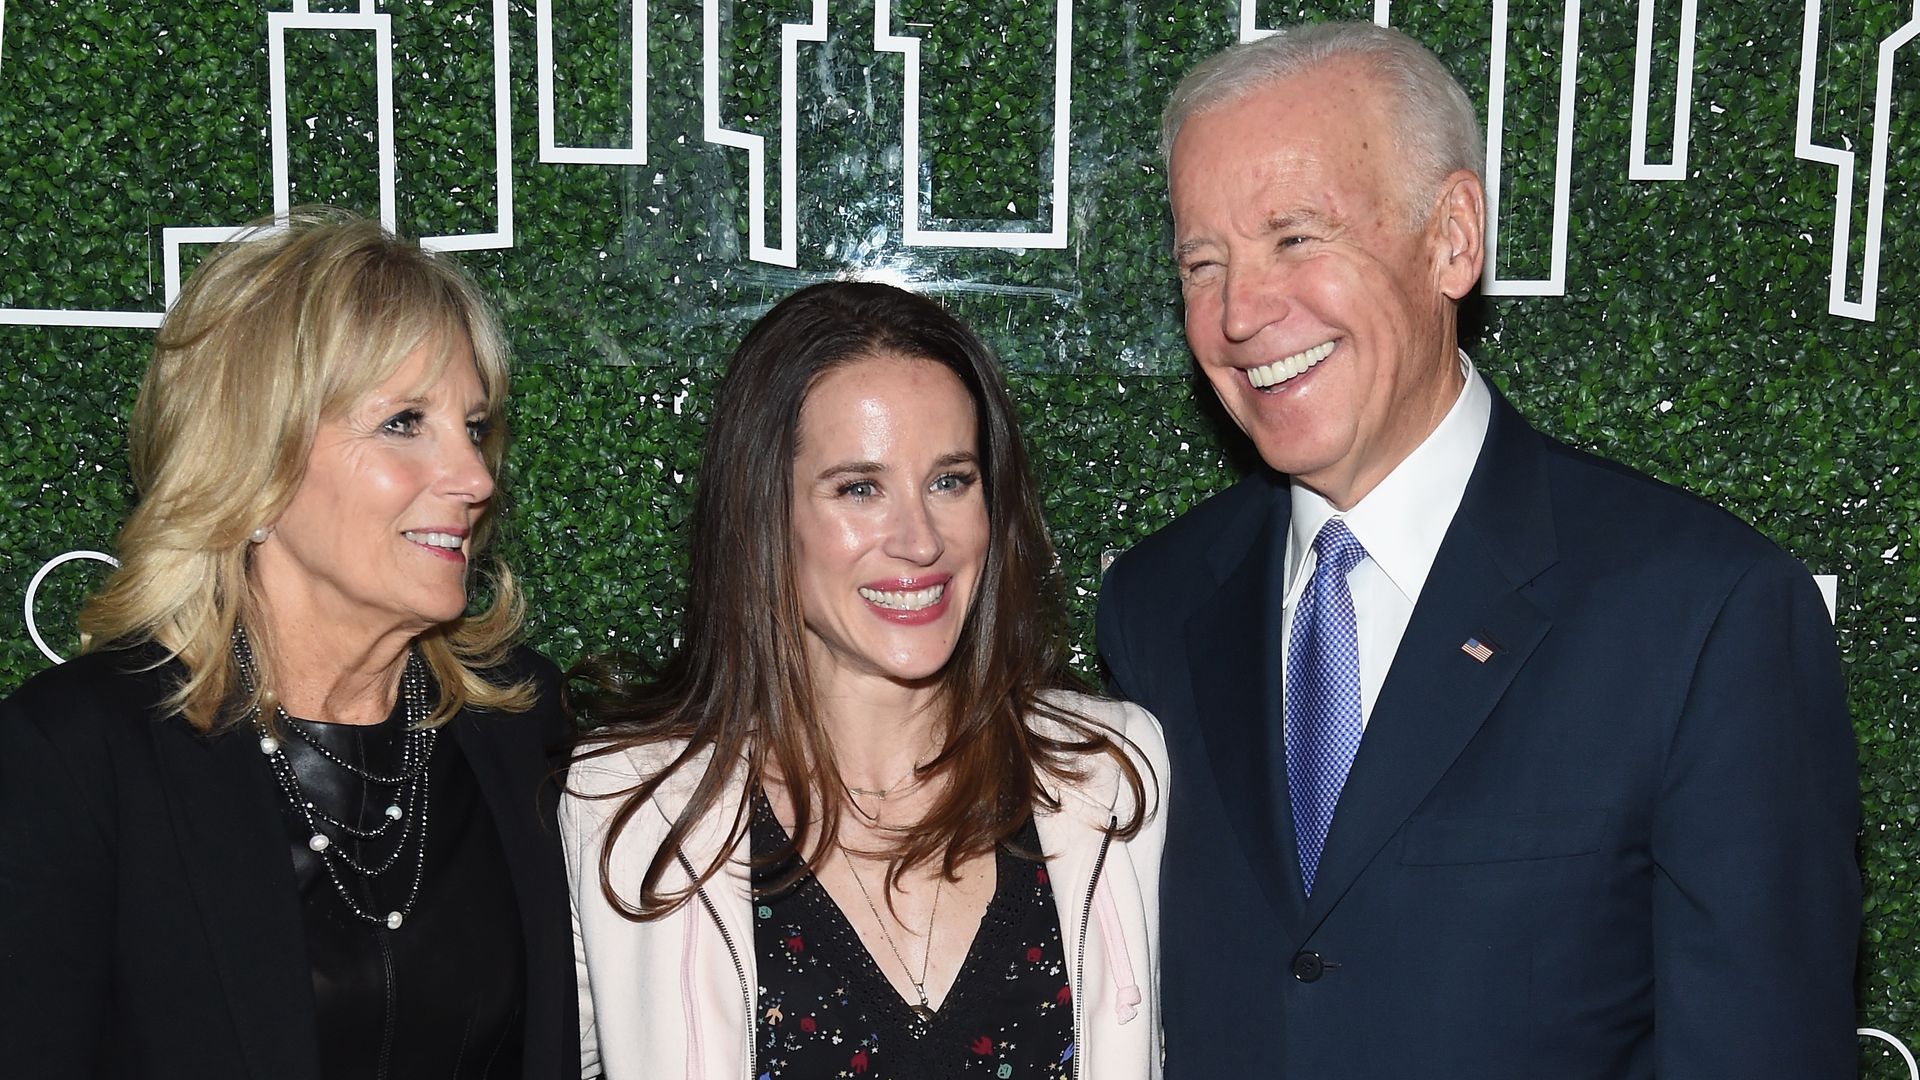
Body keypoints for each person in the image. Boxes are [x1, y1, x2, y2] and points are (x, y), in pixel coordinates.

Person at [1095, 20, 1859, 1079]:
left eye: (1295, 238)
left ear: (1453, 237)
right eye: (1203, 262)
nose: (1239, 312)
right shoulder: (1156, 605)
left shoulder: (1701, 616)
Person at [0, 209, 578, 1078]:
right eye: (403, 423)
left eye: (474, 425)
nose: (474, 478)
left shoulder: (520, 725)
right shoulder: (80, 756)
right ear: (254, 459)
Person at [564, 281, 1167, 1080]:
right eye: (859, 488)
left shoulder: (1111, 772)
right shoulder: (626, 805)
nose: (920, 541)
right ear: (764, 515)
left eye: (950, 480)